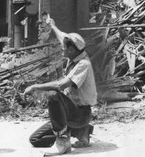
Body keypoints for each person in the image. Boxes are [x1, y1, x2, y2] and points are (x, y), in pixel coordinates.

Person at [25, 17, 97, 154]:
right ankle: (80, 131)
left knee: (53, 94)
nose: (61, 49)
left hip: (81, 113)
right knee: (35, 139)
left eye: (63, 48)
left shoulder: (83, 65)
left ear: (71, 50)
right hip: (69, 112)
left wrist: (35, 87)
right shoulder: (75, 50)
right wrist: (53, 25)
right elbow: (61, 36)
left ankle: (63, 141)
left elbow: (61, 85)